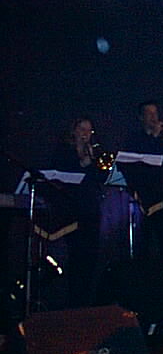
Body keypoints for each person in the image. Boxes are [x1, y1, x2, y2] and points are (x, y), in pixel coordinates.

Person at [51, 117, 106, 307]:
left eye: (89, 131)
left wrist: (93, 162)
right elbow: (62, 176)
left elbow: (101, 177)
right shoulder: (64, 151)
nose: (86, 134)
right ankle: (72, 303)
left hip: (91, 210)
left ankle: (86, 302)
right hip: (72, 212)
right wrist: (82, 162)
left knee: (91, 258)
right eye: (82, 129)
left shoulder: (93, 152)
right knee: (75, 258)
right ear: (74, 130)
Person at [122, 101, 163, 259]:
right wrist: (155, 136)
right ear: (141, 117)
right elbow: (140, 160)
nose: (153, 117)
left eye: (155, 113)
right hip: (142, 198)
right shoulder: (134, 140)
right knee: (143, 245)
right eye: (149, 113)